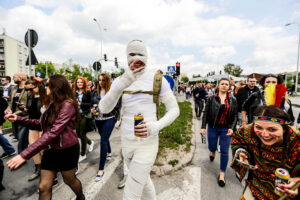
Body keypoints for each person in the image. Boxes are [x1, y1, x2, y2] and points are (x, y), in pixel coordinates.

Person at [99, 40, 179, 200]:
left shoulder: (158, 80)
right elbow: (103, 108)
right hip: (127, 143)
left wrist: (156, 126)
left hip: (148, 144)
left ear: (147, 56)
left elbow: (174, 110)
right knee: (144, 181)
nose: (136, 58)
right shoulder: (120, 81)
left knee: (131, 193)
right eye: (131, 54)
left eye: (140, 54)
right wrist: (122, 83)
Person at [5, 75, 85, 200]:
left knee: (69, 180)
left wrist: (24, 155)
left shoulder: (67, 105)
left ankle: (80, 197)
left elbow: (53, 132)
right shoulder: (53, 103)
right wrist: (18, 119)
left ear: (56, 87)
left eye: (47, 85)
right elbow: (41, 124)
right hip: (50, 150)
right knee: (43, 187)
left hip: (66, 151)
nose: (44, 87)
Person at [231, 105, 300, 200]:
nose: (264, 134)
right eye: (259, 127)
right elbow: (237, 138)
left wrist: (297, 181)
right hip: (253, 190)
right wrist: (241, 152)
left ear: (284, 128)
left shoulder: (297, 141)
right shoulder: (249, 130)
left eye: (272, 129)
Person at [200, 78, 238, 187]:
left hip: (225, 129)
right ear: (218, 85)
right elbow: (206, 113)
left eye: (226, 84)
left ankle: (222, 174)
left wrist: (232, 127)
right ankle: (212, 151)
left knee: (225, 151)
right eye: (222, 84)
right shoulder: (211, 98)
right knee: (212, 146)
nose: (224, 86)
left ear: (229, 87)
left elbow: (235, 115)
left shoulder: (233, 100)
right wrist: (203, 127)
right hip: (212, 127)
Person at [91, 73, 119, 182]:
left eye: (103, 80)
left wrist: (106, 107)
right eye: (99, 80)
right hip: (98, 119)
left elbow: (117, 105)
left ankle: (101, 169)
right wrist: (92, 110)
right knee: (104, 137)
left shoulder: (112, 92)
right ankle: (109, 152)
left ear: (107, 81)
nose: (101, 82)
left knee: (103, 140)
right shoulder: (94, 91)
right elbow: (91, 104)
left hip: (109, 118)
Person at [24, 77, 46, 181]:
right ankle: (38, 168)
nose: (28, 92)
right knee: (33, 147)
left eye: (30, 89)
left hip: (43, 124)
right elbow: (28, 110)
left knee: (44, 148)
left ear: (38, 86)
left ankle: (49, 170)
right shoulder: (30, 96)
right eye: (26, 89)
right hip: (32, 124)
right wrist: (23, 109)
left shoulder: (46, 96)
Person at [5, 72, 29, 152]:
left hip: (24, 116)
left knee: (21, 138)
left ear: (20, 78)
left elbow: (27, 106)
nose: (13, 78)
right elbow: (11, 101)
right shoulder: (14, 88)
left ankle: (21, 156)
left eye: (14, 77)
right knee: (19, 137)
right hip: (14, 117)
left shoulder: (28, 88)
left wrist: (14, 113)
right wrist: (8, 109)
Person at [73, 76, 94, 162]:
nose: (79, 84)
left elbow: (90, 104)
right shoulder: (74, 92)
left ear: (84, 83)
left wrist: (80, 104)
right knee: (78, 134)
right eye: (78, 82)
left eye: (81, 82)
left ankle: (83, 154)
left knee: (82, 133)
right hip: (76, 115)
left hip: (85, 115)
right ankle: (90, 142)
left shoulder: (88, 92)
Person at [0, 87, 16, 159]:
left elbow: (5, 109)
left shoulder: (2, 100)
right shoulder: (2, 99)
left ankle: (9, 150)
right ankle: (9, 150)